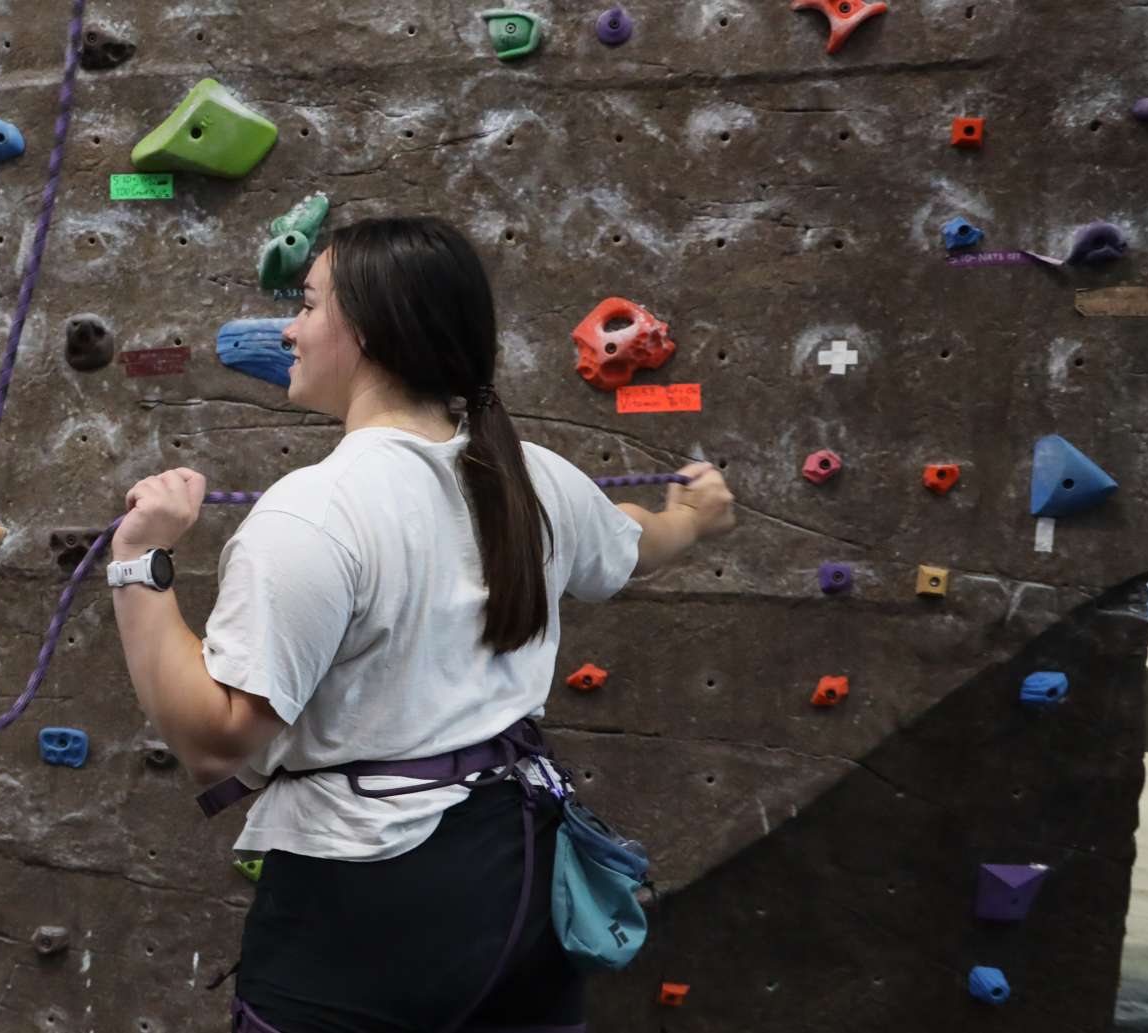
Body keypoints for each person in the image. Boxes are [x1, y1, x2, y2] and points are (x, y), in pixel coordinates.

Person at [102, 217, 736, 1033]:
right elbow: (639, 539)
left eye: (308, 303)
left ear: (367, 329)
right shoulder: (533, 477)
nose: (289, 328)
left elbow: (218, 739)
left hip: (371, 902)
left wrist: (140, 562)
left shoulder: (316, 510)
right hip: (521, 877)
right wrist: (694, 515)